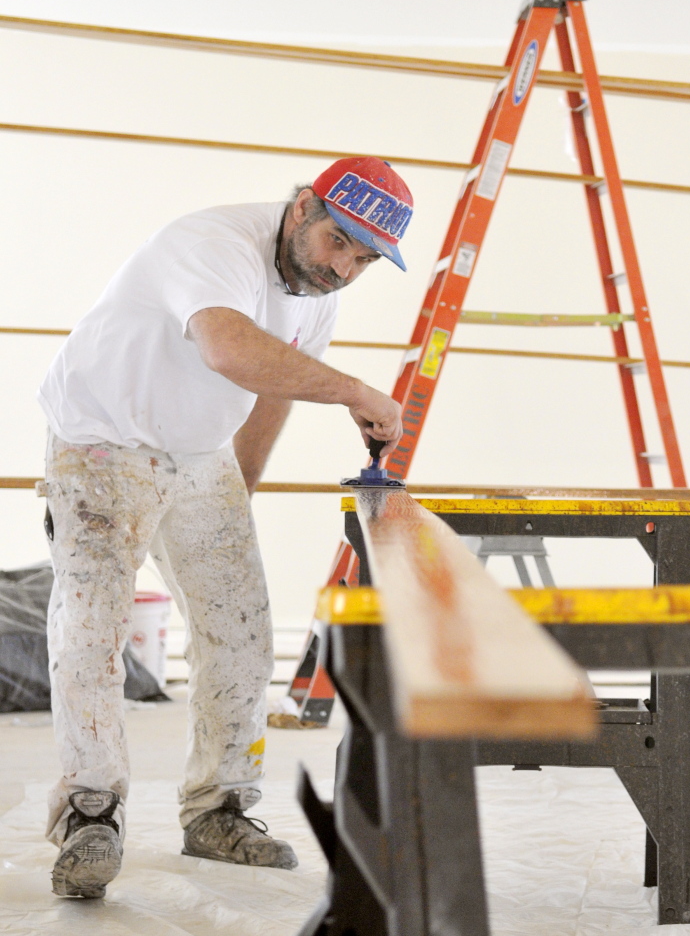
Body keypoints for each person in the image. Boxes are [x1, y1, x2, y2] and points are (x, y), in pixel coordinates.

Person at [36, 155, 412, 899]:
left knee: (240, 628)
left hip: (201, 458)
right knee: (91, 628)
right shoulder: (213, 245)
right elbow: (230, 348)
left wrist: (239, 491)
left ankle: (216, 808)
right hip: (102, 442)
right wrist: (355, 391)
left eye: (363, 260)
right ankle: (90, 814)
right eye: (338, 242)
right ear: (303, 207)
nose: (343, 268)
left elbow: (270, 388)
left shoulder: (313, 292)